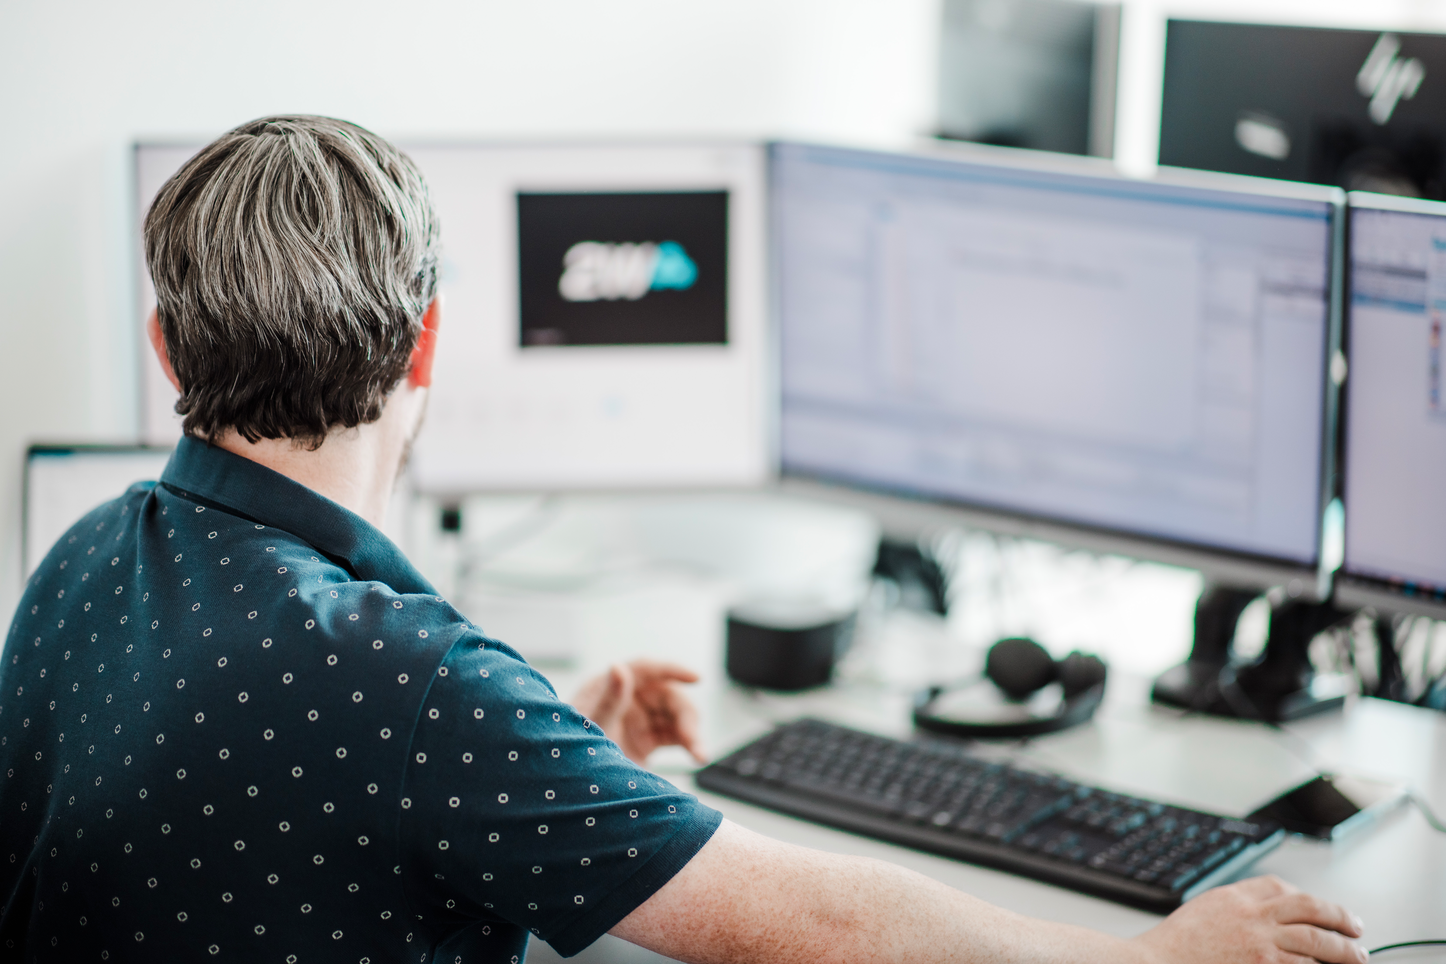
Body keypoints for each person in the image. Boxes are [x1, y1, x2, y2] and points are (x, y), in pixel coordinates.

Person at [0, 115, 1368, 964]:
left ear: (164, 344)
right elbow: (805, 929)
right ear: (426, 341)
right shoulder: (404, 679)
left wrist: (535, 755)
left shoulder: (84, 563)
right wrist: (1152, 961)